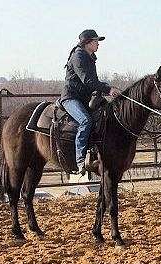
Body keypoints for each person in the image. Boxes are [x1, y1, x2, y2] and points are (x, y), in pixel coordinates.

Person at [60, 29, 120, 175]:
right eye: (95, 41)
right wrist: (108, 89)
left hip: (83, 98)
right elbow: (87, 80)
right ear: (87, 43)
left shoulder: (89, 56)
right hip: (71, 98)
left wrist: (106, 89)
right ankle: (80, 160)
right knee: (85, 120)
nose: (98, 44)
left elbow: (93, 82)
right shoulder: (79, 56)